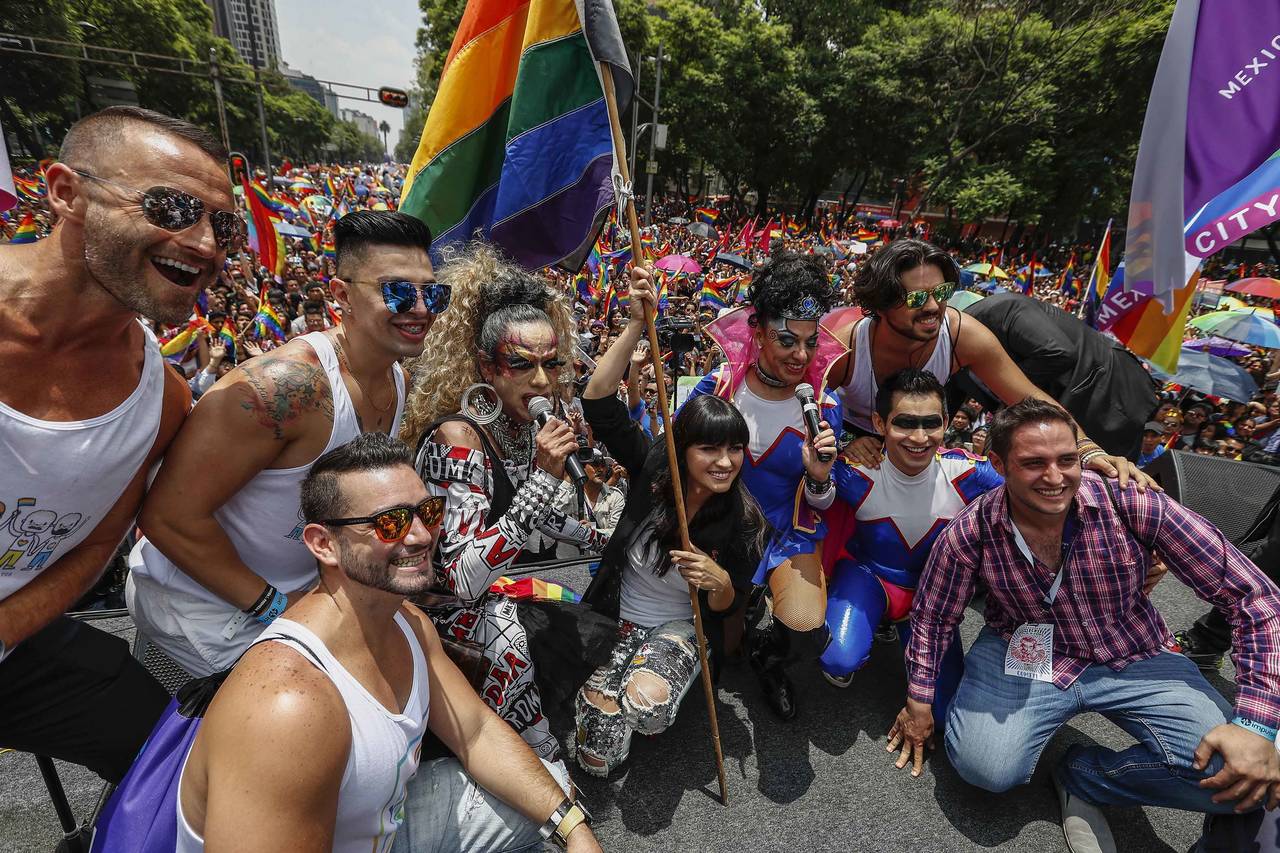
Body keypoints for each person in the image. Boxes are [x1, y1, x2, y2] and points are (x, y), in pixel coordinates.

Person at [177, 433, 599, 853]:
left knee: (550, 790)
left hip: (379, 825)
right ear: (324, 544)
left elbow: (475, 732)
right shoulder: (289, 707)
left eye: (429, 512)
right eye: (390, 522)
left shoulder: (408, 621)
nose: (420, 536)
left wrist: (573, 829)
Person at [894, 398, 1280, 851]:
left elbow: (1254, 597)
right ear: (998, 464)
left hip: (1133, 647)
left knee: (1239, 771)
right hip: (1027, 649)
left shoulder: (1133, 501)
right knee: (986, 769)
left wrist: (1255, 724)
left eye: (1066, 459)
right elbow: (934, 616)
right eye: (1033, 463)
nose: (1055, 477)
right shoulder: (970, 531)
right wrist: (920, 698)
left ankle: (1086, 775)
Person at [0, 106, 228, 782]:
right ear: (66, 192)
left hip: (18, 643)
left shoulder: (163, 401)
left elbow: (98, 543)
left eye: (224, 226)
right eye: (173, 207)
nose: (206, 243)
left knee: (184, 768)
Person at [128, 210, 436, 676]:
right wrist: (276, 607)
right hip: (205, 611)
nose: (421, 308)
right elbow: (167, 518)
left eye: (433, 293)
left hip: (301, 599)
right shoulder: (284, 387)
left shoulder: (398, 380)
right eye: (397, 291)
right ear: (342, 295)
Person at [401, 242, 606, 764]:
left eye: (551, 364)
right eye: (521, 364)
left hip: (495, 590)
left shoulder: (520, 426)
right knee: (508, 633)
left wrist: (600, 529)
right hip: (439, 611)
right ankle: (541, 763)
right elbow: (460, 580)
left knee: (605, 633)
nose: (541, 381)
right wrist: (541, 480)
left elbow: (542, 520)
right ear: (486, 368)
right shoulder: (457, 439)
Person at [574, 269, 764, 775]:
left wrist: (720, 582)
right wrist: (637, 325)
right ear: (682, 450)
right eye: (709, 448)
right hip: (615, 613)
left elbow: (728, 609)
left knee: (648, 709)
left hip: (682, 628)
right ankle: (614, 682)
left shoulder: (745, 521)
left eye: (735, 448)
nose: (725, 461)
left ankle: (657, 679)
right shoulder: (655, 468)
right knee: (595, 758)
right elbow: (597, 404)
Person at [829, 240, 1153, 487]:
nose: (933, 307)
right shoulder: (846, 344)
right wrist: (846, 441)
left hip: (913, 451)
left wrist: (1087, 449)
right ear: (880, 305)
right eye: (916, 298)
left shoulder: (962, 335)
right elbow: (803, 413)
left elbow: (1031, 399)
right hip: (848, 450)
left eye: (941, 292)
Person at [688, 250, 842, 720]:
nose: (801, 355)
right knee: (722, 651)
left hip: (787, 534)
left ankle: (770, 659)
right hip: (725, 530)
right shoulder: (719, 389)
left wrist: (818, 477)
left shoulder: (823, 407)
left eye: (810, 342)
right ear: (758, 333)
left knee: (804, 625)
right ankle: (735, 625)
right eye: (787, 340)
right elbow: (676, 457)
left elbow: (823, 501)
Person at [822, 370, 1003, 725]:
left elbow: (1035, 487)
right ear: (880, 423)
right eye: (905, 423)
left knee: (944, 713)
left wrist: (1093, 460)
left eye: (931, 423)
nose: (920, 437)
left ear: (946, 422)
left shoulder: (971, 473)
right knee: (837, 658)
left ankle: (888, 626)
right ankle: (871, 621)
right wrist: (842, 446)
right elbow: (805, 495)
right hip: (867, 575)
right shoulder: (855, 471)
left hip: (930, 594)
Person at [955, 291, 1161, 460]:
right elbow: (945, 403)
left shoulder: (1003, 310)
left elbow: (1058, 353)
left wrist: (1006, 387)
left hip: (1108, 393)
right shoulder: (950, 360)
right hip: (1060, 414)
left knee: (1107, 477)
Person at [554, 448, 626, 559]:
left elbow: (618, 533)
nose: (601, 469)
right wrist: (568, 478)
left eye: (603, 465)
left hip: (601, 561)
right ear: (581, 467)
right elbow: (554, 518)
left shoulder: (615, 496)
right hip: (569, 562)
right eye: (595, 465)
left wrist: (591, 531)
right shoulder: (569, 493)